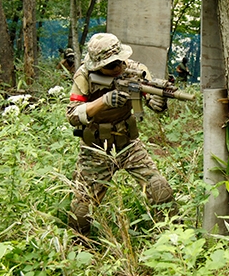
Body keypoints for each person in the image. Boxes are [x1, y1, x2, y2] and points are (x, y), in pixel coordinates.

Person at [66, 33, 176, 236]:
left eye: (120, 62)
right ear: (97, 66)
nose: (118, 68)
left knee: (159, 189)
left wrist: (158, 102)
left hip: (128, 143)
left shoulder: (136, 71)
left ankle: (173, 240)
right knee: (81, 209)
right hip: (96, 147)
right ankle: (78, 250)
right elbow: (72, 115)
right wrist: (104, 101)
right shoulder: (84, 75)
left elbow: (152, 99)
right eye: (111, 65)